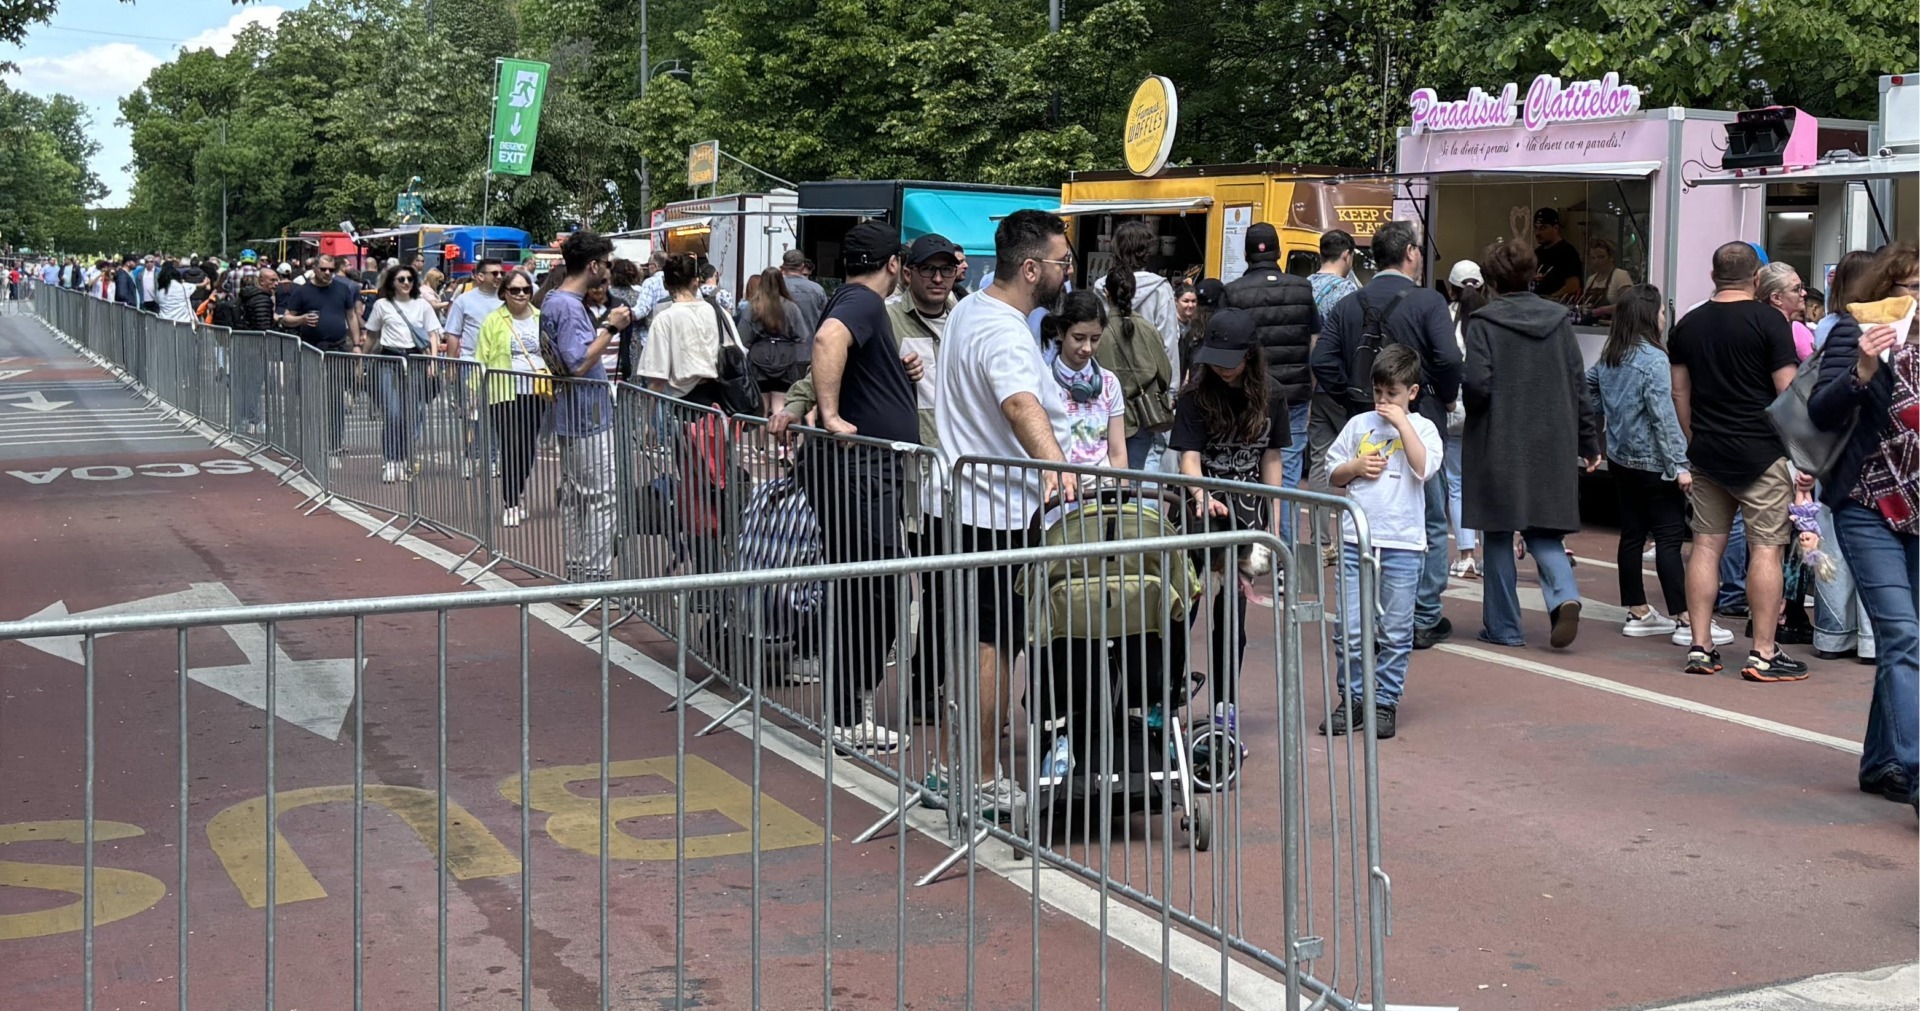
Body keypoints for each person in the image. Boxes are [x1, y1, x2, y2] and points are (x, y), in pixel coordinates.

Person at [934, 208, 1075, 810]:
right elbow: (1020, 404)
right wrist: (1058, 468)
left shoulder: (969, 310)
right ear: (1031, 267)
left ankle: (950, 766)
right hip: (993, 512)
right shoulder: (1005, 330)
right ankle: (983, 776)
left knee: (972, 642)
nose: (1068, 272)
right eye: (1063, 262)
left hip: (962, 503)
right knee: (992, 645)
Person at [798, 220, 921, 754]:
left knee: (861, 587)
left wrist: (895, 371)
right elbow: (829, 340)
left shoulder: (852, 301)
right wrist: (829, 415)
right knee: (873, 588)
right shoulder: (864, 303)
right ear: (893, 264)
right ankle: (847, 714)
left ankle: (849, 710)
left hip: (862, 472)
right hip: (858, 472)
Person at [1312, 219, 1462, 649]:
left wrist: (1355, 397)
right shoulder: (1428, 302)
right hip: (1420, 417)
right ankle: (1423, 614)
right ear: (1412, 253)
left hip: (1364, 419)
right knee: (1429, 516)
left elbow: (1322, 361)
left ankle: (1372, 613)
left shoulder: (1349, 303)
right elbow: (1450, 357)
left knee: (1368, 513)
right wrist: (1443, 397)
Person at [1808, 241, 1918, 809]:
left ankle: (1881, 762)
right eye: (1912, 288)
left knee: (1910, 641)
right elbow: (1820, 411)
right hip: (1868, 502)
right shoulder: (1857, 334)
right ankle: (1918, 770)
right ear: (1887, 292)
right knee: (1900, 634)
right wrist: (1864, 369)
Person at [1669, 241, 1806, 681]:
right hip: (1763, 451)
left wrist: (1694, 436)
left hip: (1708, 450)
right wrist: (1801, 450)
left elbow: (1679, 391)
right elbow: (1787, 390)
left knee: (1706, 546)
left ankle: (1700, 645)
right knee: (1766, 547)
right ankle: (1763, 652)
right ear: (1756, 279)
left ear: (1713, 276)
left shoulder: (1687, 325)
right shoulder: (1770, 320)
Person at [1460, 239, 1601, 649]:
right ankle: (1565, 593)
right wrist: (1588, 441)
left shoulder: (1484, 323)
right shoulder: (1559, 320)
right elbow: (1579, 385)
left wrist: (1474, 406)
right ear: (1534, 274)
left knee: (1499, 532)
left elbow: (1477, 384)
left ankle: (1504, 627)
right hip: (1551, 439)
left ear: (1491, 280)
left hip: (1498, 439)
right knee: (1544, 530)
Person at [1321, 344, 1444, 740]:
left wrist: (1403, 424)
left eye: (1392, 393)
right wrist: (1355, 467)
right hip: (1357, 540)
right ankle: (1352, 699)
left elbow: (1424, 468)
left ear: (1412, 392)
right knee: (1350, 628)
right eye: (1377, 392)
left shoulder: (1423, 428)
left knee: (1395, 629)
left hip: (1404, 543)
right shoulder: (1358, 425)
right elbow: (1333, 473)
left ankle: (1385, 700)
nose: (1382, 401)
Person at [1174, 309, 1290, 714]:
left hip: (1246, 513)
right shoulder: (1195, 395)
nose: (1221, 369)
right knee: (1180, 611)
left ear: (1250, 356)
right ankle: (1165, 699)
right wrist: (1201, 493)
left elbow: (1272, 457)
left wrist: (1272, 517)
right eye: (1214, 360)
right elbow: (1188, 457)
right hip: (1198, 510)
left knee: (1230, 619)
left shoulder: (1273, 393)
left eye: (1230, 361)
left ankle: (1226, 705)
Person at [1587, 284, 1705, 642]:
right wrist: (1680, 464)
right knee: (1669, 537)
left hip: (1622, 457)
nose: (1664, 315)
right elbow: (1662, 415)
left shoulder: (1612, 353)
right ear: (1649, 317)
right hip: (1654, 461)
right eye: (1660, 310)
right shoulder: (1654, 358)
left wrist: (1608, 414)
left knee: (1632, 535)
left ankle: (1637, 610)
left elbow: (1587, 386)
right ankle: (1685, 618)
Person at [539, 231, 631, 594]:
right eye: (606, 264)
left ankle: (579, 573)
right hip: (586, 412)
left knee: (578, 496)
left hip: (572, 410)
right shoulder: (568, 305)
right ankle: (592, 577)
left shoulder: (552, 300)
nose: (608, 272)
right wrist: (611, 327)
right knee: (600, 497)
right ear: (592, 265)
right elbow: (577, 361)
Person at [1225, 221, 1317, 542]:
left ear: (1246, 254)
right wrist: (1310, 383)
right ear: (1278, 251)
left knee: (1245, 469)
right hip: (1295, 393)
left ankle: (1247, 546)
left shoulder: (1234, 292)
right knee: (1287, 476)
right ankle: (1283, 553)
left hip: (1250, 394)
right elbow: (1313, 340)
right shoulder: (1302, 288)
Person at [1095, 223, 1176, 473]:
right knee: (1147, 459)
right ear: (1147, 251)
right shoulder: (1161, 288)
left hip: (1107, 386)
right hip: (1146, 393)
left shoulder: (1101, 287)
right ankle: (1142, 510)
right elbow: (1169, 343)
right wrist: (1171, 392)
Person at [363, 264, 452, 484]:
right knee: (392, 412)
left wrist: (432, 361)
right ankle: (391, 460)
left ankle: (403, 458)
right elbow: (372, 335)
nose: (405, 283)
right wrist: (361, 360)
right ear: (392, 282)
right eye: (401, 279)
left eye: (409, 279)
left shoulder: (422, 305)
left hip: (415, 362)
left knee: (410, 414)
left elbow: (433, 334)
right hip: (389, 360)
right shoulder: (382, 305)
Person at [475, 270, 547, 528]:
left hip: (537, 391)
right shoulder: (493, 321)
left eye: (525, 289)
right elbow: (481, 357)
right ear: (504, 292)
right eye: (514, 290)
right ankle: (510, 502)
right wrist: (474, 393)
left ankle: (518, 488)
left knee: (527, 448)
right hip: (503, 392)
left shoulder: (541, 318)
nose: (520, 294)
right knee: (510, 445)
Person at [636, 253, 739, 409]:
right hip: (723, 400)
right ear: (696, 282)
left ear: (665, 284)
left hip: (685, 403)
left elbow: (657, 378)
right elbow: (738, 351)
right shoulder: (719, 312)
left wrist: (647, 421)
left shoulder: (665, 319)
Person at [1045, 290, 1127, 479]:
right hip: (1060, 493)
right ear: (1060, 332)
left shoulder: (1109, 383)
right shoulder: (1043, 382)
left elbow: (1118, 451)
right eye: (1079, 338)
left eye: (1095, 339)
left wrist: (1120, 498)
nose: (1087, 348)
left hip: (1102, 493)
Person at [1307, 230, 1363, 495]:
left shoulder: (1304, 286)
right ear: (1347, 255)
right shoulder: (1350, 293)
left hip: (1311, 386)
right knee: (1356, 455)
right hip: (1342, 385)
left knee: (1319, 459)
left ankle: (1320, 535)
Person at [1442, 260, 1487, 579]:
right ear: (1482, 286)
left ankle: (1466, 554)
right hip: (1486, 412)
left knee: (1456, 485)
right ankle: (1491, 553)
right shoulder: (1492, 319)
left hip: (1454, 412)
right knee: (1484, 484)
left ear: (1451, 289)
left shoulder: (1444, 318)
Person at [739, 266, 810, 418]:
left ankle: (760, 442)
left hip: (759, 359)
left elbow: (743, 337)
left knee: (761, 409)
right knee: (780, 405)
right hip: (785, 359)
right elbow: (802, 335)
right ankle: (781, 441)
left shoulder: (753, 307)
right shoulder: (791, 307)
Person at [1756, 261, 1814, 361]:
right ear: (1776, 298)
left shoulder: (1755, 327)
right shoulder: (1796, 330)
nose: (1804, 293)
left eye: (1802, 287)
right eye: (1796, 289)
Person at [1531, 208, 1583, 303]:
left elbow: (1573, 285)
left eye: (1543, 228)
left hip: (1556, 307)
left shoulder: (1567, 252)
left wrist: (1550, 298)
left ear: (1555, 227)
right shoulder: (1537, 252)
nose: (1538, 233)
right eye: (1536, 228)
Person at [1579, 238, 1633, 318]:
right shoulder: (1591, 280)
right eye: (1593, 258)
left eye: (1601, 257)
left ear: (1611, 257)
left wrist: (1603, 310)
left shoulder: (1620, 275)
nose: (1596, 262)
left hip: (1613, 326)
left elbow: (1629, 304)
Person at [781, 248, 828, 340]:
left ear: (784, 265)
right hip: (808, 345)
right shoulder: (817, 289)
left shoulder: (774, 287)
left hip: (779, 347)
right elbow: (826, 318)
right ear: (802, 265)